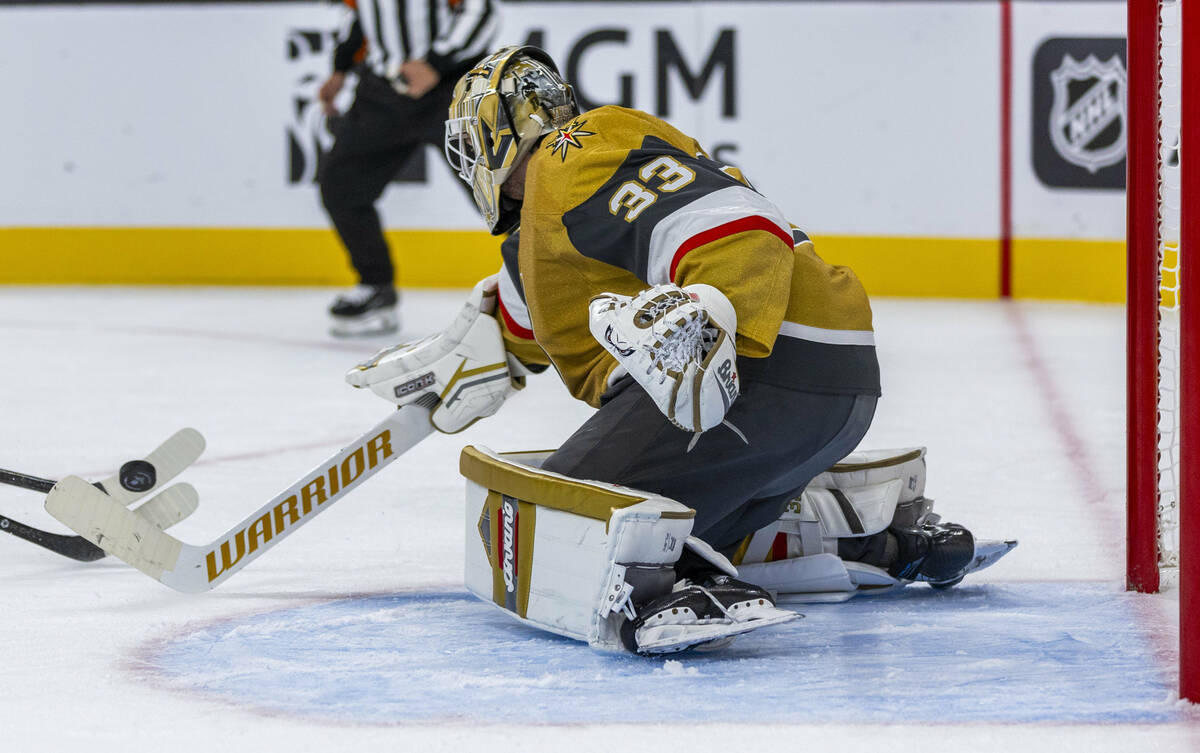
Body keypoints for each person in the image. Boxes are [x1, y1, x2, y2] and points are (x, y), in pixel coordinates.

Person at [346, 47, 995, 653]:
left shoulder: (572, 155)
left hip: (758, 372)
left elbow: (736, 224)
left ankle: (665, 586)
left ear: (494, 132)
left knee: (545, 528)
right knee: (628, 511)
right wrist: (471, 352)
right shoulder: (546, 221)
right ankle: (856, 530)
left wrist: (716, 327)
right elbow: (529, 316)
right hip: (829, 387)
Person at [317, 0, 499, 336]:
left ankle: (559, 288)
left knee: (502, 191)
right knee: (341, 186)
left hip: (452, 88)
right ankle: (376, 288)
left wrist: (435, 62)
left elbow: (482, 11)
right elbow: (361, 15)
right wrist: (341, 68)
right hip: (384, 91)